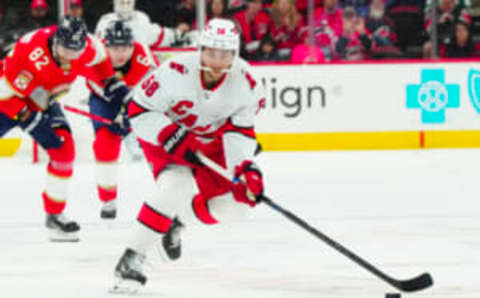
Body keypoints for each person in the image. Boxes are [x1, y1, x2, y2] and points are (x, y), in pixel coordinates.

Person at [111, 18, 266, 293]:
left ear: (235, 54)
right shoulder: (174, 71)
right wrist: (169, 134)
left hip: (212, 144)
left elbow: (239, 132)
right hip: (167, 137)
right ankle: (132, 257)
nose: (217, 62)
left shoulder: (248, 83)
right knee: (176, 185)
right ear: (201, 49)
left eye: (225, 54)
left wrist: (245, 167)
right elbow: (138, 110)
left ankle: (176, 223)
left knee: (237, 205)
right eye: (211, 53)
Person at [0, 16, 130, 241]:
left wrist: (109, 81)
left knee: (64, 152)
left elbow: (100, 59)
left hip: (42, 99)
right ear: (55, 41)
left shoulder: (88, 47)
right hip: (8, 98)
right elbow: (4, 92)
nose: (69, 57)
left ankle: (54, 217)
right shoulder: (28, 52)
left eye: (75, 52)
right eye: (64, 50)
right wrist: (27, 117)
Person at [86, 20, 157, 219]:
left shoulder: (143, 57)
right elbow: (105, 91)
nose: (121, 53)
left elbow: (154, 89)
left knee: (156, 144)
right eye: (115, 48)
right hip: (104, 101)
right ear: (105, 46)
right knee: (105, 144)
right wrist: (121, 115)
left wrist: (132, 114)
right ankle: (108, 199)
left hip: (138, 98)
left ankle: (168, 190)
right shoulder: (94, 56)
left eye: (126, 47)